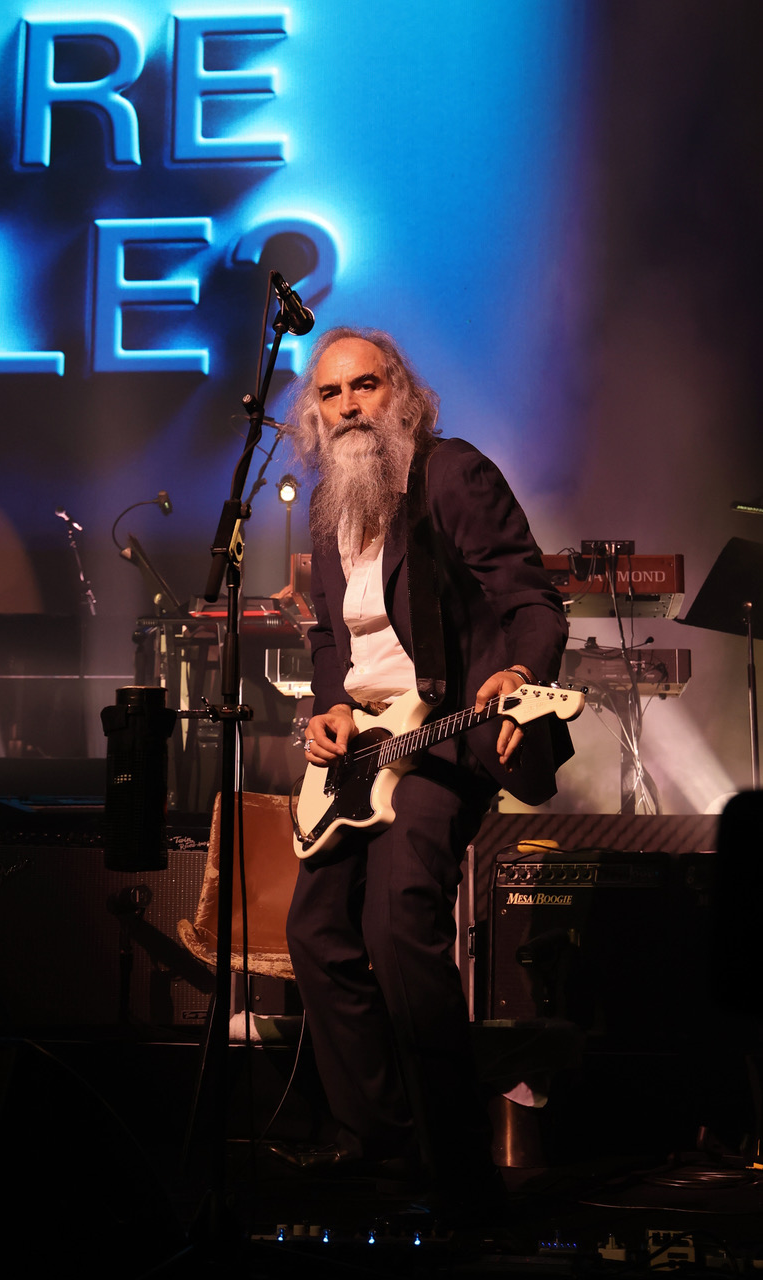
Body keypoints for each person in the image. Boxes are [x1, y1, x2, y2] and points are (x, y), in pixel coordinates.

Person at [274, 327, 573, 1213]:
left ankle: (458, 1171)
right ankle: (380, 1142)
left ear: (399, 392)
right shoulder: (328, 506)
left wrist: (519, 675)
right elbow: (331, 640)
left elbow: (531, 598)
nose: (348, 407)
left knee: (400, 925)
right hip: (363, 751)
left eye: (364, 386)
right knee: (316, 933)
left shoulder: (450, 474)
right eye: (331, 394)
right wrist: (331, 706)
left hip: (441, 736)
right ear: (313, 413)